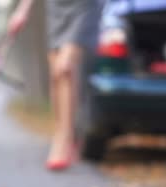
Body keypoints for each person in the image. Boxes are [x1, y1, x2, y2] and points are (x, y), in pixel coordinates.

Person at [7, 0, 101, 171]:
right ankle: (65, 131)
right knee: (56, 76)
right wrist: (22, 10)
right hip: (56, 8)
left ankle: (63, 139)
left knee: (65, 68)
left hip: (84, 6)